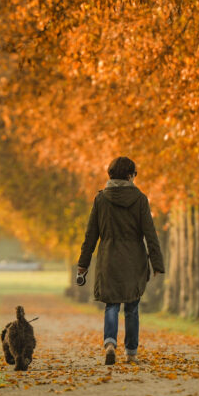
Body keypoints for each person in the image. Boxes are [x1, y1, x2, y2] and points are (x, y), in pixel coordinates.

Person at [77, 156, 165, 365]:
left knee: (112, 305)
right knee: (132, 307)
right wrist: (157, 263)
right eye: (134, 174)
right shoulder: (140, 199)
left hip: (109, 258)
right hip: (134, 259)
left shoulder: (101, 199)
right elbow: (150, 233)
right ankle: (131, 352)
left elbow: (91, 235)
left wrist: (83, 264)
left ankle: (109, 343)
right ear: (130, 175)